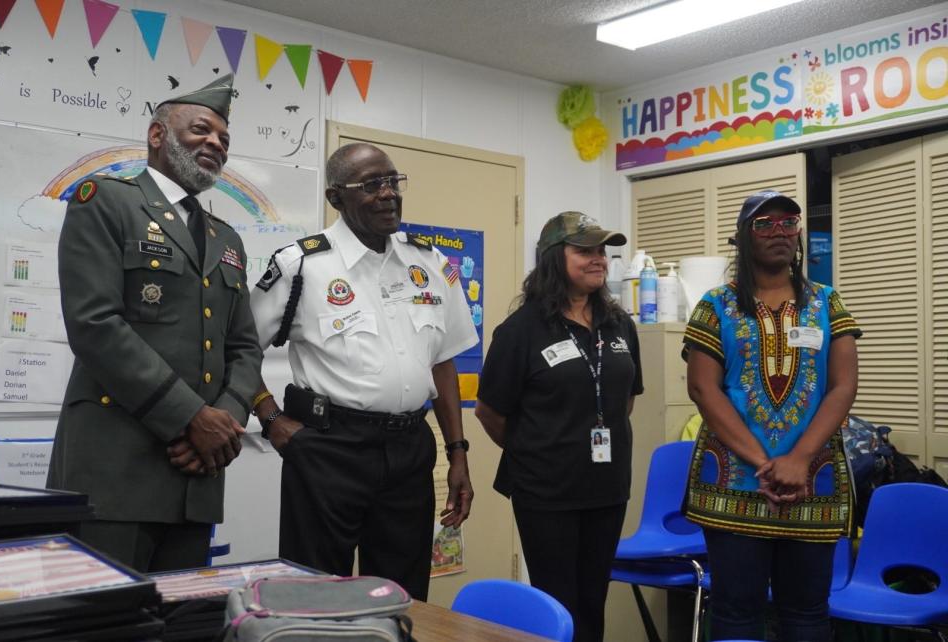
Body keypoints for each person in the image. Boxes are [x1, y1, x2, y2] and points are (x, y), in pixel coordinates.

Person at [47, 75, 263, 572]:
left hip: (197, 475)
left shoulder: (226, 237)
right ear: (157, 134)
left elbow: (245, 347)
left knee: (181, 622)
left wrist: (225, 425)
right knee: (105, 623)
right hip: (114, 471)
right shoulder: (104, 200)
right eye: (201, 130)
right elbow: (94, 324)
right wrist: (193, 419)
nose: (215, 143)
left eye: (224, 140)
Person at [248, 142, 478, 601]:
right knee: (314, 594)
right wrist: (270, 418)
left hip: (409, 450)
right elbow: (236, 350)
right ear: (336, 197)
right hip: (328, 448)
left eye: (393, 182)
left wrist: (457, 452)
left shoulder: (428, 263)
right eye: (372, 185)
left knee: (401, 594)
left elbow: (443, 361)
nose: (388, 194)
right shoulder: (302, 266)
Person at [682, 190, 861, 642]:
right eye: (765, 224)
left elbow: (843, 386)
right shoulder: (716, 305)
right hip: (734, 483)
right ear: (743, 237)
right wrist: (766, 463)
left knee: (806, 614)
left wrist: (799, 459)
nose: (779, 232)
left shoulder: (827, 302)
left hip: (812, 483)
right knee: (736, 611)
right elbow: (703, 388)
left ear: (799, 234)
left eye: (788, 222)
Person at [475, 211, 643, 642]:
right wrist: (539, 451)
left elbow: (625, 399)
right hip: (546, 491)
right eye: (584, 250)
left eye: (602, 251)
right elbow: (490, 412)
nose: (598, 259)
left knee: (593, 599)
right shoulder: (520, 330)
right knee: (558, 601)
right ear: (553, 258)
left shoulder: (619, 324)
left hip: (606, 486)